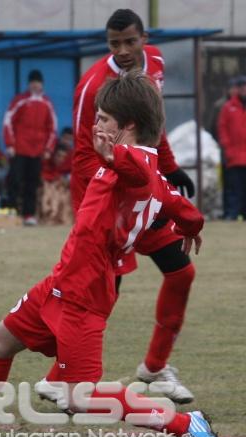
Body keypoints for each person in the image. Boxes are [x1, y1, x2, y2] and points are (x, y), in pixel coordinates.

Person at [0, 71, 221, 437]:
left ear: (129, 126)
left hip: (84, 295)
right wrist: (191, 226)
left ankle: (185, 423)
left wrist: (114, 155)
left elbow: (138, 169)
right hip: (61, 283)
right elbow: (181, 205)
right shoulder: (153, 174)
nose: (95, 124)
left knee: (79, 397)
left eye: (103, 119)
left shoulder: (135, 162)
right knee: (0, 341)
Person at [47, 8, 199, 404]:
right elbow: (84, 154)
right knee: (100, 294)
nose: (125, 50)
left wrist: (168, 168)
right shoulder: (93, 85)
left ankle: (154, 369)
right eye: (115, 44)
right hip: (110, 201)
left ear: (144, 37)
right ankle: (64, 378)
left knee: (181, 273)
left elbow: (152, 123)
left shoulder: (158, 63)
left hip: (143, 191)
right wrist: (98, 207)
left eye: (131, 41)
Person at [3, 69, 58, 226]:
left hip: (37, 151)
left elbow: (52, 128)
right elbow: (8, 122)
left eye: (37, 82)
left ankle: (29, 215)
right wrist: (10, 144)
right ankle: (12, 212)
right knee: (14, 181)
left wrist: (48, 149)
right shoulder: (19, 100)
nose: (35, 85)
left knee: (32, 183)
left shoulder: (47, 103)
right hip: (19, 149)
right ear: (29, 84)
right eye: (32, 82)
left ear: (41, 84)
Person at [210, 77, 242, 219]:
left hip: (240, 152)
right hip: (229, 153)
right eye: (235, 87)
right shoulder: (223, 106)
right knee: (230, 184)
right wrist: (225, 146)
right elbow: (218, 127)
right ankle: (230, 212)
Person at [217, 75, 246, 220]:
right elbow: (222, 129)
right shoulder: (228, 107)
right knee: (234, 187)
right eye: (242, 87)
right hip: (234, 156)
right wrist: (227, 148)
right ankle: (232, 213)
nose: (244, 89)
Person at [38, 144, 72, 225]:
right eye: (58, 156)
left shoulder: (67, 166)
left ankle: (59, 218)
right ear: (53, 155)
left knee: (63, 194)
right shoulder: (45, 164)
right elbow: (42, 178)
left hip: (61, 190)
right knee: (49, 190)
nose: (60, 159)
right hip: (46, 189)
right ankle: (50, 214)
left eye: (63, 157)